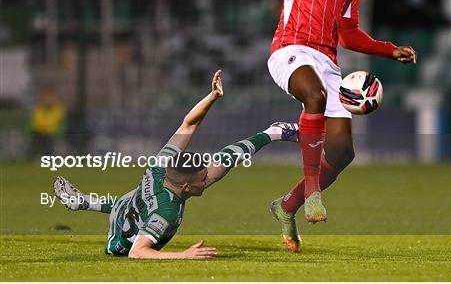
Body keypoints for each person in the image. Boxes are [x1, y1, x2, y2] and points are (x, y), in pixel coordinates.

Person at [234, 0, 416, 251]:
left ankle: (286, 207)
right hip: (290, 49)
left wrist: (387, 50)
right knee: (313, 96)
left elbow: (348, 34)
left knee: (343, 152)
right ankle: (313, 192)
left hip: (328, 62)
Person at [53, 70, 298, 259]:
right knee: (136, 216)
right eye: (201, 180)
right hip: (121, 243)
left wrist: (212, 97)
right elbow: (137, 252)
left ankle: (273, 133)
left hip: (129, 206)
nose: (207, 179)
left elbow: (188, 125)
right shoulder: (166, 212)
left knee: (218, 162)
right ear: (183, 186)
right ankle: (84, 202)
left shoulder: (160, 165)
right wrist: (184, 255)